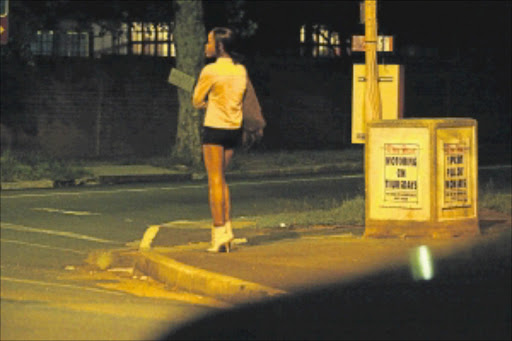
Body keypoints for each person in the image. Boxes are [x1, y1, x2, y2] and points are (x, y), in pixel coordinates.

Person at [192, 27, 247, 252]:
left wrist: (207, 103)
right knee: (223, 180)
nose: (206, 46)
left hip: (214, 128)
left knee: (214, 180)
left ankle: (218, 234)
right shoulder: (241, 70)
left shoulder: (210, 71)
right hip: (234, 128)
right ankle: (228, 231)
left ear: (220, 46)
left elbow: (197, 99)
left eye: (209, 42)